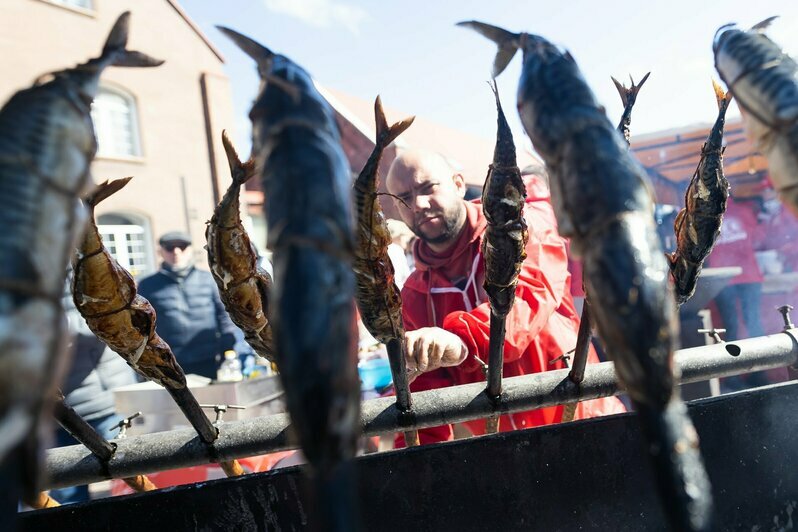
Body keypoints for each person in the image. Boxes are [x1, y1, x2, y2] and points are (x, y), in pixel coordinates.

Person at [385, 149, 626, 445]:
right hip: (505, 455)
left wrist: (459, 339)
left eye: (427, 187)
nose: (418, 204)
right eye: (403, 198)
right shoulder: (413, 295)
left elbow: (527, 300)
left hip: (586, 425)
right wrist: (409, 469)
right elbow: (423, 398)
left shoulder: (518, 228)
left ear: (458, 184)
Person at [50, 278, 137, 504]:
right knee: (67, 493)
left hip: (106, 402)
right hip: (55, 413)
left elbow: (117, 322)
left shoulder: (89, 275)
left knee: (132, 476)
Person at [138, 231, 238, 379]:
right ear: (161, 251)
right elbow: (142, 325)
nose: (176, 252)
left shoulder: (209, 280)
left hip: (209, 360)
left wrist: (228, 349)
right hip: (170, 363)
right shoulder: (147, 285)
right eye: (170, 248)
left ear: (190, 250)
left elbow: (225, 316)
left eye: (182, 247)